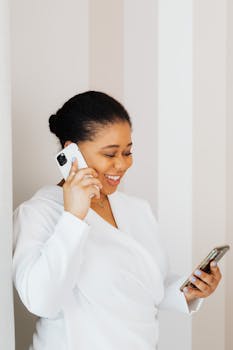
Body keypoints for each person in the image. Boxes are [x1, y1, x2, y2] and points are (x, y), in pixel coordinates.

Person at [12, 91, 222, 350]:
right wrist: (73, 217)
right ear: (72, 152)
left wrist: (189, 291)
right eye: (110, 154)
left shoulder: (136, 209)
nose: (122, 165)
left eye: (128, 152)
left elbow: (147, 286)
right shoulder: (38, 212)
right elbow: (42, 301)